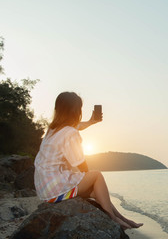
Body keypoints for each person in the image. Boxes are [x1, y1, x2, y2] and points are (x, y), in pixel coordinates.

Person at [34, 92, 143, 230]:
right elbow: (79, 162)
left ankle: (124, 219)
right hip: (56, 188)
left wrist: (91, 121)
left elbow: (77, 126)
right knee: (97, 175)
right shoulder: (70, 133)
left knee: (97, 192)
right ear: (76, 111)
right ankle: (114, 219)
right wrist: (88, 176)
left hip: (44, 189)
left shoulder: (52, 129)